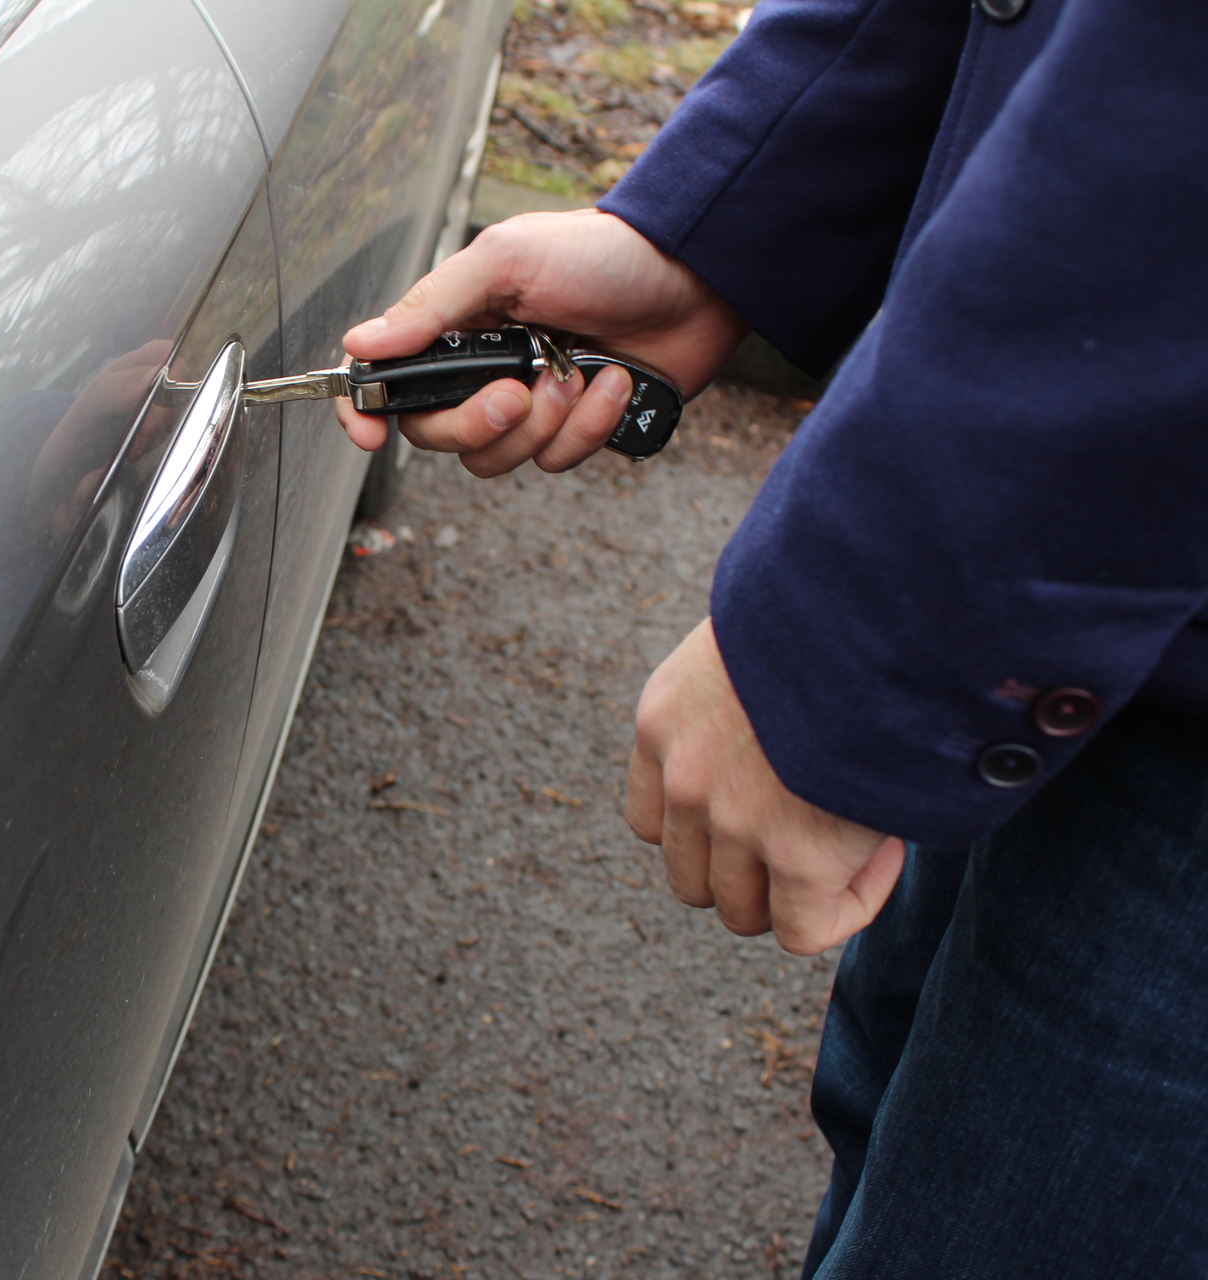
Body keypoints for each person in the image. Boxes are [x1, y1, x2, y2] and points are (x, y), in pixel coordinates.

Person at [335, 0, 1208, 1273]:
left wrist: (864, 642)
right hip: (1045, 612)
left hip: (1111, 668)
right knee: (896, 1154)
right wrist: (717, 227)